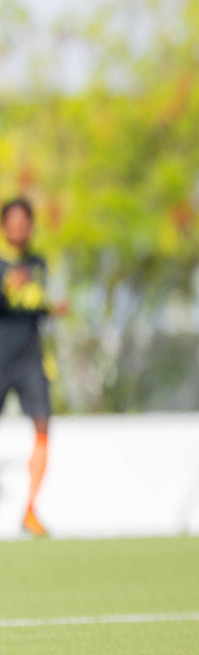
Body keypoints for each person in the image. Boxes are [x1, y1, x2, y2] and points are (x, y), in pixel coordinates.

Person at [0, 199, 61, 537]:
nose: (20, 227)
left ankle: (30, 510)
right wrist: (8, 285)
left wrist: (54, 309)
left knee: (42, 426)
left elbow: (39, 306)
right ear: (4, 226)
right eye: (14, 221)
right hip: (0, 355)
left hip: (31, 358)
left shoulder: (39, 264)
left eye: (25, 221)